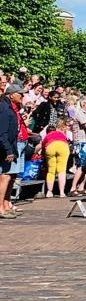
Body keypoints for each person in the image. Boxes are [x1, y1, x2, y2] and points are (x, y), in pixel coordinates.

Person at [0, 81, 25, 218]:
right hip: (5, 148)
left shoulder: (10, 107)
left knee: (9, 176)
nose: (22, 96)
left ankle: (5, 205)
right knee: (5, 176)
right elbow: (2, 132)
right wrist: (8, 150)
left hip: (11, 145)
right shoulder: (4, 108)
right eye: (19, 94)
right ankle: (0, 208)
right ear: (11, 95)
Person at [40, 118, 71, 198]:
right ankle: (62, 192)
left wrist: (43, 155)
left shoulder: (48, 135)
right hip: (63, 146)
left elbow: (43, 147)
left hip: (50, 146)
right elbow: (66, 141)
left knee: (51, 171)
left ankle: (49, 192)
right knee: (62, 170)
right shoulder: (62, 134)